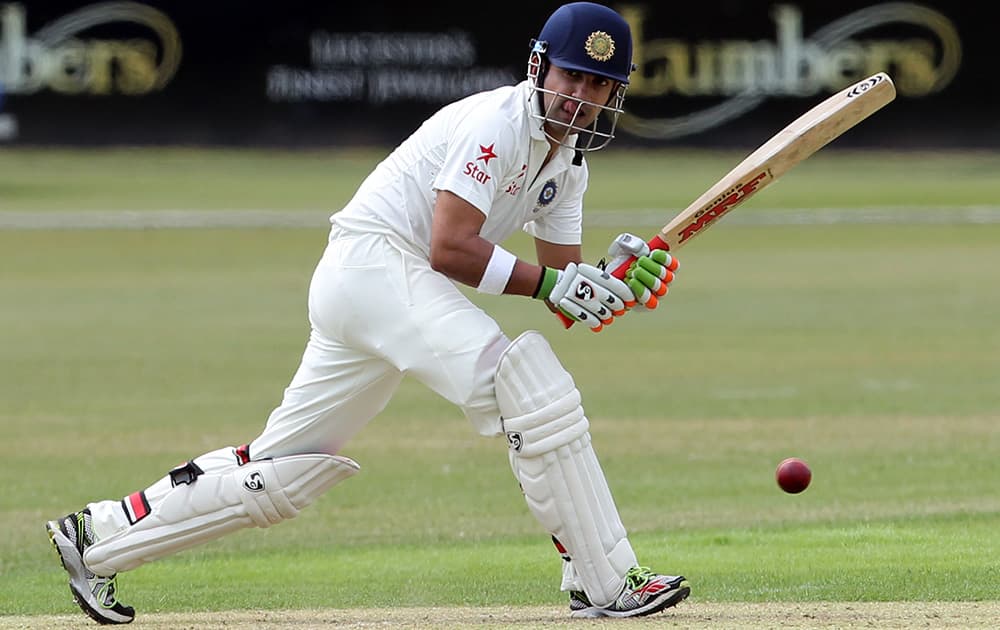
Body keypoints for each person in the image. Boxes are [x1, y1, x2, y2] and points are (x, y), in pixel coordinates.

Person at [45, 2, 690, 624]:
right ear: (540, 66)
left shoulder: (568, 164)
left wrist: (615, 282)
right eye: (572, 75)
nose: (581, 95)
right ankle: (603, 579)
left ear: (616, 94)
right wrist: (556, 286)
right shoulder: (498, 123)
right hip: (375, 264)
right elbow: (451, 247)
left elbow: (566, 292)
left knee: (283, 470)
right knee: (525, 381)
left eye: (599, 84)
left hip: (371, 285)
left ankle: (95, 537)